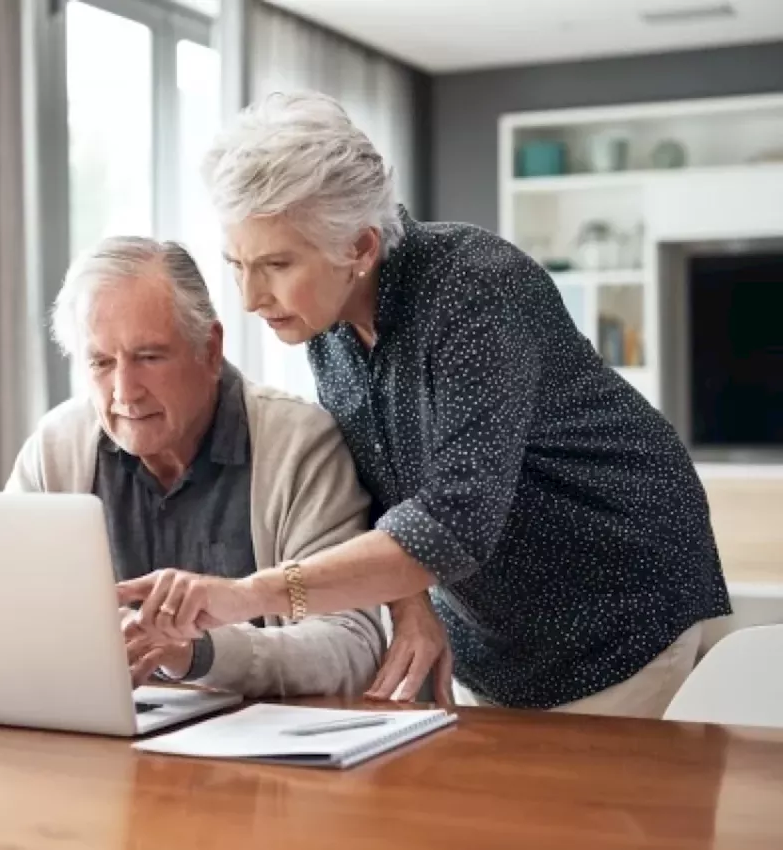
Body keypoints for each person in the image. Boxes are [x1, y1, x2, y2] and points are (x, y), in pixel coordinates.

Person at [120, 92, 731, 718]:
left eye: (275, 264)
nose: (250, 296)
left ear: (359, 248)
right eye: (237, 264)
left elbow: (453, 519)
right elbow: (386, 484)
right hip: (493, 634)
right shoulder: (325, 321)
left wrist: (251, 596)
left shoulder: (474, 290)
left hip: (619, 604)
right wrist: (410, 607)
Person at [6, 235, 400, 698]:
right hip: (102, 743)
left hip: (265, 757)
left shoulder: (299, 444)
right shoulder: (55, 449)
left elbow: (350, 647)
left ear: (210, 349)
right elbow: (5, 611)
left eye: (149, 357)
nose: (124, 391)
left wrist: (199, 653)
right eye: (101, 362)